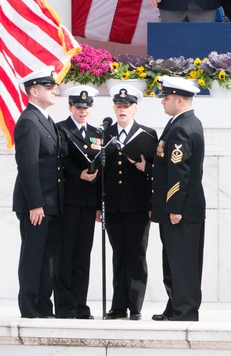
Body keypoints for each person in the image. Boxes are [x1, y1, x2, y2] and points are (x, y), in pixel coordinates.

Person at [149, 76, 206, 322]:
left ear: (179, 100)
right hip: (178, 208)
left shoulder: (183, 126)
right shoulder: (182, 122)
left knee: (182, 263)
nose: (163, 101)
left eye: (167, 97)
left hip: (180, 209)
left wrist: (174, 208)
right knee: (173, 261)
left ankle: (185, 311)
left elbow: (179, 172)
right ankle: (175, 306)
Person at [13, 68, 63, 319]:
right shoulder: (29, 121)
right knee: (34, 257)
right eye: (48, 86)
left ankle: (44, 305)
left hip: (50, 204)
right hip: (37, 206)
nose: (54, 89)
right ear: (34, 91)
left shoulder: (45, 119)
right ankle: (30, 306)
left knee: (48, 259)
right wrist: (35, 204)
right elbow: (28, 166)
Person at [103, 83, 154, 321]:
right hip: (113, 205)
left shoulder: (147, 134)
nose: (122, 109)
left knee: (136, 253)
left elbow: (156, 171)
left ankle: (135, 305)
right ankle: (118, 305)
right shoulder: (104, 134)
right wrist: (98, 205)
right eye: (118, 105)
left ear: (135, 109)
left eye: (127, 105)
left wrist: (153, 203)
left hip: (138, 205)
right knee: (118, 254)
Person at [53, 86, 101, 319]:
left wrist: (100, 204)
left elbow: (102, 163)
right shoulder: (61, 129)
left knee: (83, 255)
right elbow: (60, 158)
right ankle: (64, 306)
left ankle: (80, 306)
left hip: (88, 203)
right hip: (69, 200)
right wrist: (78, 173)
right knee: (65, 254)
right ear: (71, 107)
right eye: (79, 107)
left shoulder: (97, 132)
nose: (83, 111)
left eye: (87, 107)